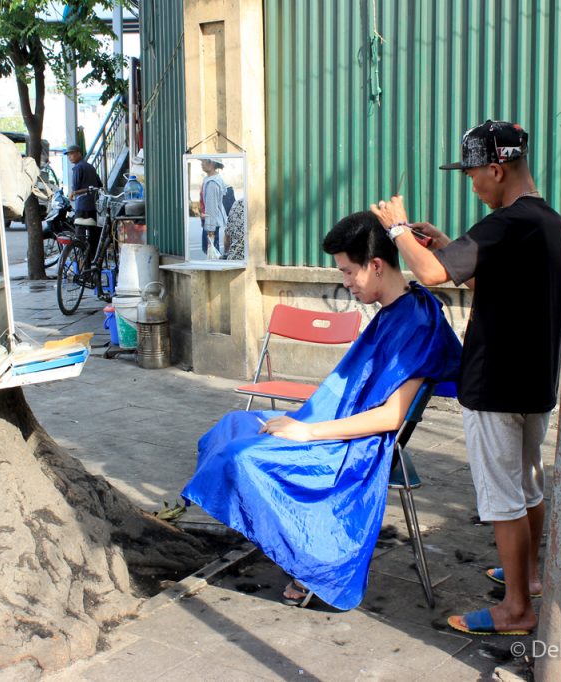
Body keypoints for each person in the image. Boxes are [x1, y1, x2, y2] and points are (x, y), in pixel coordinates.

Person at [182, 211, 462, 610]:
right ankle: (287, 540)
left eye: (349, 273)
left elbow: (389, 418)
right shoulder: (399, 311)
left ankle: (309, 559)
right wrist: (305, 421)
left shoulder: (417, 322)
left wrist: (307, 432)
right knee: (233, 425)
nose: (345, 284)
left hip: (358, 444)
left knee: (238, 456)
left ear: (377, 266)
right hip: (335, 424)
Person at [371, 120, 561, 636]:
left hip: (497, 385)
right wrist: (439, 243)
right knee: (527, 485)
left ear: (497, 169)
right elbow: (484, 273)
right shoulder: (545, 221)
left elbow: (432, 276)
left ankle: (516, 609)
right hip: (534, 383)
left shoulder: (505, 222)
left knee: (503, 497)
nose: (472, 183)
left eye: (474, 174)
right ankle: (530, 577)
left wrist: (397, 229)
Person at [65, 144, 101, 261]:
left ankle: (80, 261)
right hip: (93, 206)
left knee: (79, 236)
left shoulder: (77, 168)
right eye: (68, 155)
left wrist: (73, 193)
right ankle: (92, 260)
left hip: (82, 206)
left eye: (72, 153)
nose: (70, 157)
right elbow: (99, 184)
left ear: (79, 153)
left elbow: (75, 188)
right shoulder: (91, 167)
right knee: (93, 236)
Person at [199, 159, 227, 258]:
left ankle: (216, 270)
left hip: (211, 222)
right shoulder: (209, 179)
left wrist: (210, 228)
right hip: (209, 220)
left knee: (212, 252)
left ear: (212, 163)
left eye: (204, 161)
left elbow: (211, 207)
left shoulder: (212, 183)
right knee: (211, 251)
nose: (201, 163)